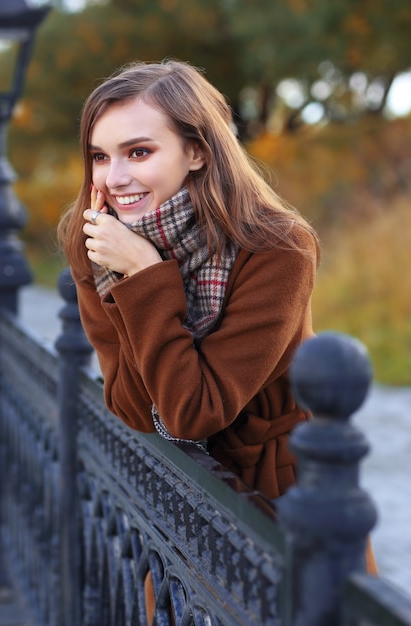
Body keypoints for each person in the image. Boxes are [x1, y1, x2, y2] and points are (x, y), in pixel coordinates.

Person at [58, 59, 319, 500]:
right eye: (100, 156)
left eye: (139, 152)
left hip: (277, 497)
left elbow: (195, 412)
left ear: (197, 152)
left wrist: (144, 276)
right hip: (175, 500)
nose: (115, 178)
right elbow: (136, 410)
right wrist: (128, 273)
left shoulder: (276, 248)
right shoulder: (100, 248)